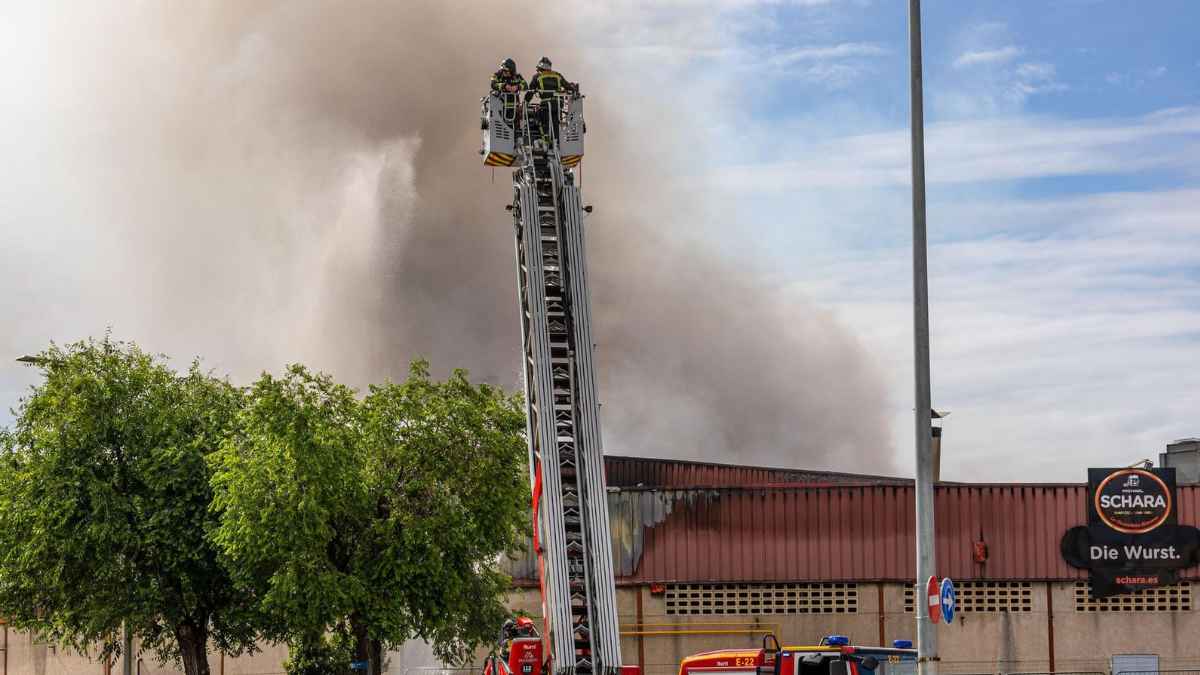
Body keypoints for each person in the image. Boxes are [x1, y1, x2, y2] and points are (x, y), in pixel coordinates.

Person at [525, 57, 570, 145]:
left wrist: (525, 103)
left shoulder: (537, 77)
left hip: (546, 104)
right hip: (558, 104)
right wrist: (573, 89)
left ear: (539, 68)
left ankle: (546, 139)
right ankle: (556, 141)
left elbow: (530, 92)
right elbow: (567, 86)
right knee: (556, 122)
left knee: (541, 119)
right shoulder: (557, 75)